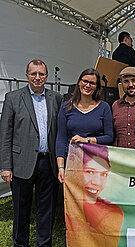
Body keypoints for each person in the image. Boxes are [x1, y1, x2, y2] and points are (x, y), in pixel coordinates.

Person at [0, 59, 63, 246]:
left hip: (47, 162)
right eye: (33, 74)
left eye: (41, 74)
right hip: (21, 163)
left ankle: (44, 243)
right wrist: (5, 166)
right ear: (27, 75)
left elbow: (60, 131)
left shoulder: (56, 98)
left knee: (47, 209)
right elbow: (5, 134)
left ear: (47, 76)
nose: (37, 77)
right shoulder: (13, 98)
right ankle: (21, 243)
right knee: (21, 209)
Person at [56, 68, 114, 183]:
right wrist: (61, 167)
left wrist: (86, 140)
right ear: (79, 82)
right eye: (85, 81)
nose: (88, 85)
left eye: (92, 83)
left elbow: (109, 137)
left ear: (97, 87)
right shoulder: (66, 107)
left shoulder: (104, 107)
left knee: (94, 199)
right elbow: (61, 139)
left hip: (97, 163)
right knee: (73, 199)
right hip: (72, 163)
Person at [65, 144, 124, 247]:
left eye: (104, 174)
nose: (97, 182)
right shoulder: (69, 206)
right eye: (90, 172)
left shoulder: (114, 213)